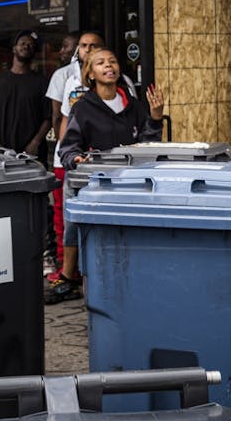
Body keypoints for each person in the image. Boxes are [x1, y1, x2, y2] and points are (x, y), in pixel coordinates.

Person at [52, 46, 165, 303]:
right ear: (90, 74)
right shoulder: (83, 107)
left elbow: (148, 145)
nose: (108, 66)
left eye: (112, 61)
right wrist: (75, 159)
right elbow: (69, 147)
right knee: (75, 224)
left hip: (125, 181)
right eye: (101, 63)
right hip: (92, 179)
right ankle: (69, 276)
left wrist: (155, 118)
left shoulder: (134, 106)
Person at [42, 31, 81, 273]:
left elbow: (57, 116)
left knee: (66, 213)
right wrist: (63, 147)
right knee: (62, 213)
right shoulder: (62, 75)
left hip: (70, 156)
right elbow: (57, 117)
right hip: (66, 155)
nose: (62, 52)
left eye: (67, 46)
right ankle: (65, 266)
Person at [0, 29, 50, 159]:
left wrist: (35, 142)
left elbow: (48, 118)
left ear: (34, 51)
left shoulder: (43, 82)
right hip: (2, 152)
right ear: (14, 49)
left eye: (31, 45)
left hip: (32, 153)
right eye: (23, 43)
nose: (26, 46)